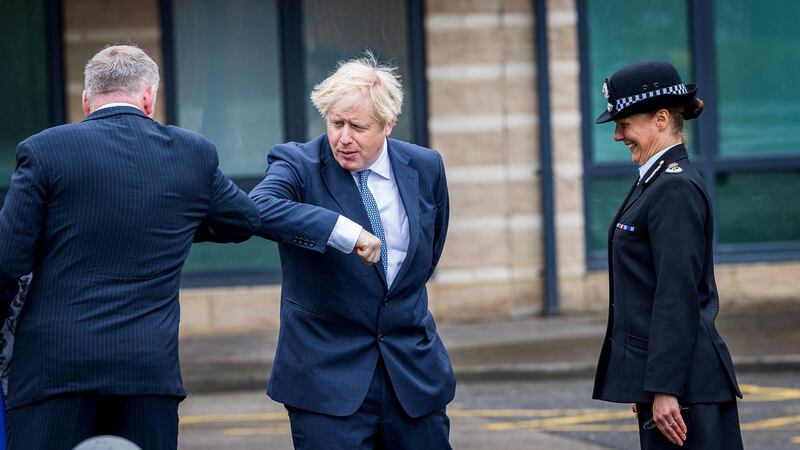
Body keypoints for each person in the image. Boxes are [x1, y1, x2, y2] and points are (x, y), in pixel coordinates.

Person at [0, 45, 260, 449]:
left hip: (52, 371)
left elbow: (7, 262)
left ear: (86, 100)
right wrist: (172, 224)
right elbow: (245, 220)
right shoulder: (193, 153)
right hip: (145, 373)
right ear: (149, 98)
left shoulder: (43, 150)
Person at [249, 53, 455, 449]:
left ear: (388, 124)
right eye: (336, 123)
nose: (344, 137)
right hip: (327, 385)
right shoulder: (297, 163)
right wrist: (343, 230)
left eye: (358, 127)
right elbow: (259, 209)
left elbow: (425, 254)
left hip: (412, 379)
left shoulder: (425, 166)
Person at [592, 60, 744, 449]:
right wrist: (646, 382)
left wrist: (663, 388)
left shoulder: (672, 188)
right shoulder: (655, 181)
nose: (617, 135)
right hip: (677, 387)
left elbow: (676, 296)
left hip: (688, 391)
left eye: (624, 123)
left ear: (661, 119)